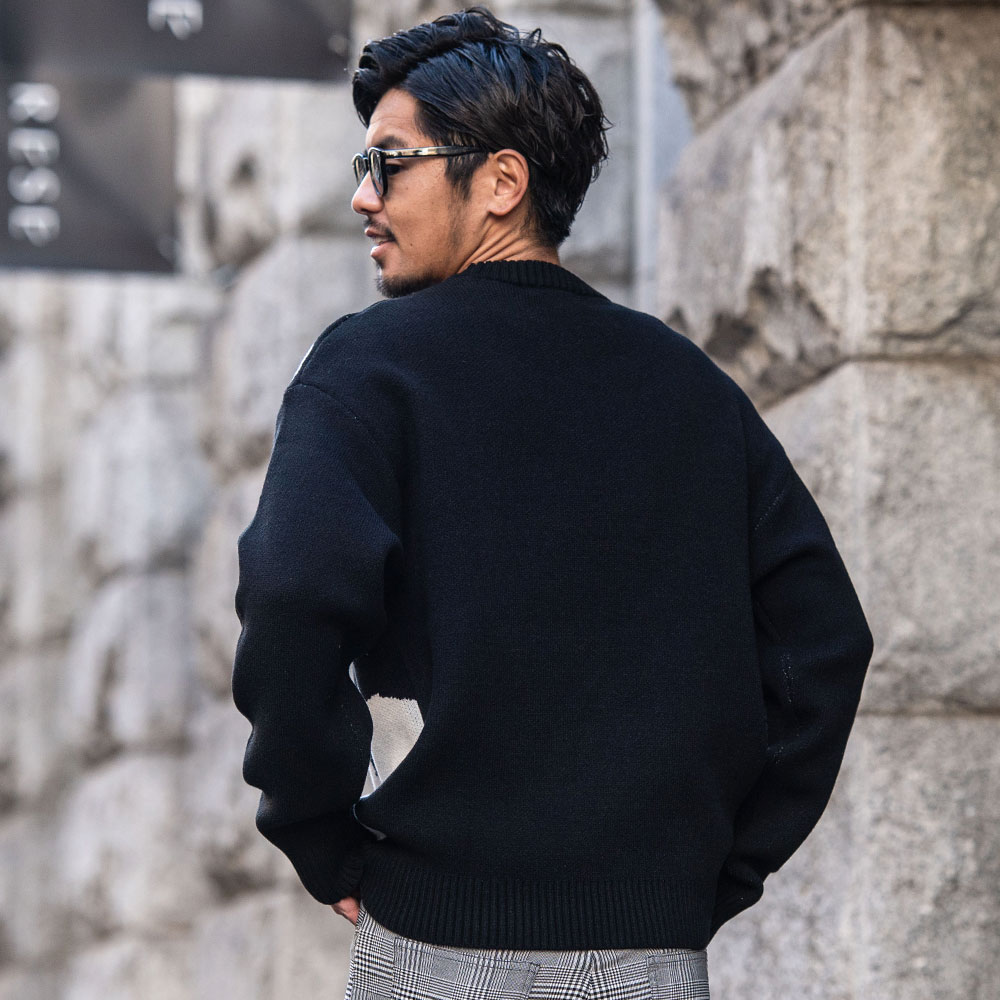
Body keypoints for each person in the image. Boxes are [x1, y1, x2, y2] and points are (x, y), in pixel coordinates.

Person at [231, 6, 874, 998]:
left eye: (388, 163)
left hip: (434, 942)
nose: (363, 196)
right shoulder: (689, 387)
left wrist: (321, 834)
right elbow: (822, 642)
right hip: (648, 953)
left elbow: (290, 595)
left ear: (501, 181)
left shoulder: (368, 369)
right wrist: (713, 869)